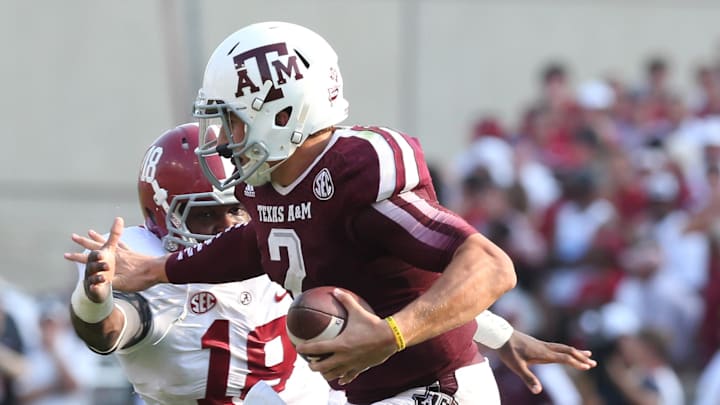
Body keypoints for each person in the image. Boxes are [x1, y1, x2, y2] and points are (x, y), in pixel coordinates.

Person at [66, 22, 595, 404]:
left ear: (279, 111)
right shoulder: (269, 187)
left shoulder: (352, 170)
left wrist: (391, 335)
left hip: (433, 389)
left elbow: (488, 265)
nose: (224, 142)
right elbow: (259, 247)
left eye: (230, 121)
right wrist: (157, 269)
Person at [68, 123, 331, 404]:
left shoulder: (281, 242)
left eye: (236, 209)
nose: (228, 227)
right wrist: (95, 302)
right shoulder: (142, 262)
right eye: (206, 215)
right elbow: (108, 332)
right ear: (161, 213)